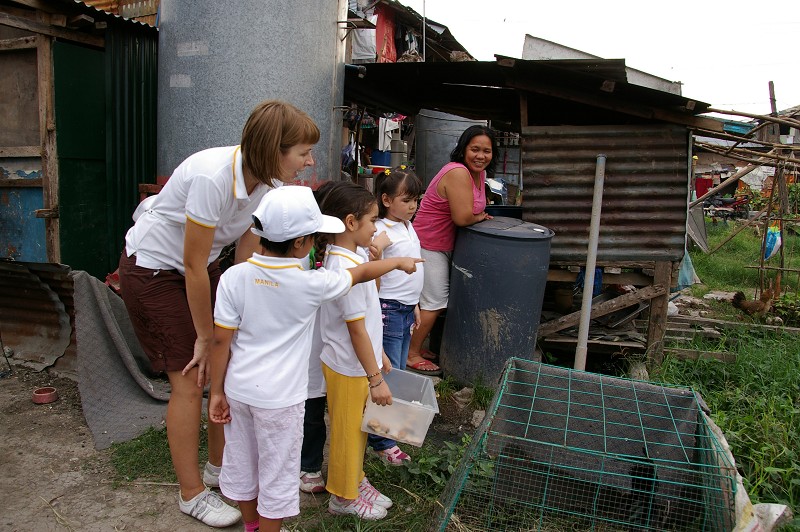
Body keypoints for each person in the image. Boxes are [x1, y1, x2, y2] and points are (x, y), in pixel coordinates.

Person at [118, 100, 318, 527]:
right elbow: (191, 265)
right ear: (273, 149)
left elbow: (246, 246)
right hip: (156, 269)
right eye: (302, 152)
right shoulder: (214, 177)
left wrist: (249, 302)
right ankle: (192, 493)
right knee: (192, 375)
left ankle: (218, 467)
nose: (309, 161)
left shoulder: (268, 183)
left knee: (226, 361)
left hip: (199, 267)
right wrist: (205, 337)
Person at [207, 186, 421, 532]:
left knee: (244, 462)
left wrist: (216, 391)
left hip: (238, 390)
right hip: (281, 400)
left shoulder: (233, 277)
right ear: (299, 243)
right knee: (277, 473)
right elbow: (357, 275)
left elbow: (220, 341)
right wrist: (396, 261)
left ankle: (251, 526)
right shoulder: (308, 283)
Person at [318, 182, 401, 520]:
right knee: (347, 432)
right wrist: (375, 378)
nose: (377, 228)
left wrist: (378, 353)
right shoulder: (345, 270)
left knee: (358, 428)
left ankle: (355, 479)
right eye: (372, 221)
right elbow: (354, 328)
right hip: (349, 366)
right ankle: (342, 496)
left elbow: (364, 320)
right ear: (351, 223)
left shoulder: (351, 258)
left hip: (355, 362)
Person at [406, 125, 498, 375]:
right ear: (463, 149)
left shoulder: (479, 173)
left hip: (445, 245)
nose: (481, 156)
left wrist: (476, 214)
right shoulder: (457, 172)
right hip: (428, 244)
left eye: (486, 151)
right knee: (434, 302)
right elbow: (462, 217)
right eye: (475, 149)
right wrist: (478, 217)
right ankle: (411, 354)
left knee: (433, 301)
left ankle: (412, 345)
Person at [367, 165, 424, 465]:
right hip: (387, 309)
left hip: (404, 309)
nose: (413, 206)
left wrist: (414, 304)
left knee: (399, 373)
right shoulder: (381, 229)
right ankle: (381, 440)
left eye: (416, 200)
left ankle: (388, 431)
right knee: (388, 374)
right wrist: (377, 248)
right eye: (407, 200)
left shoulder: (407, 226)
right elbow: (374, 255)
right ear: (386, 200)